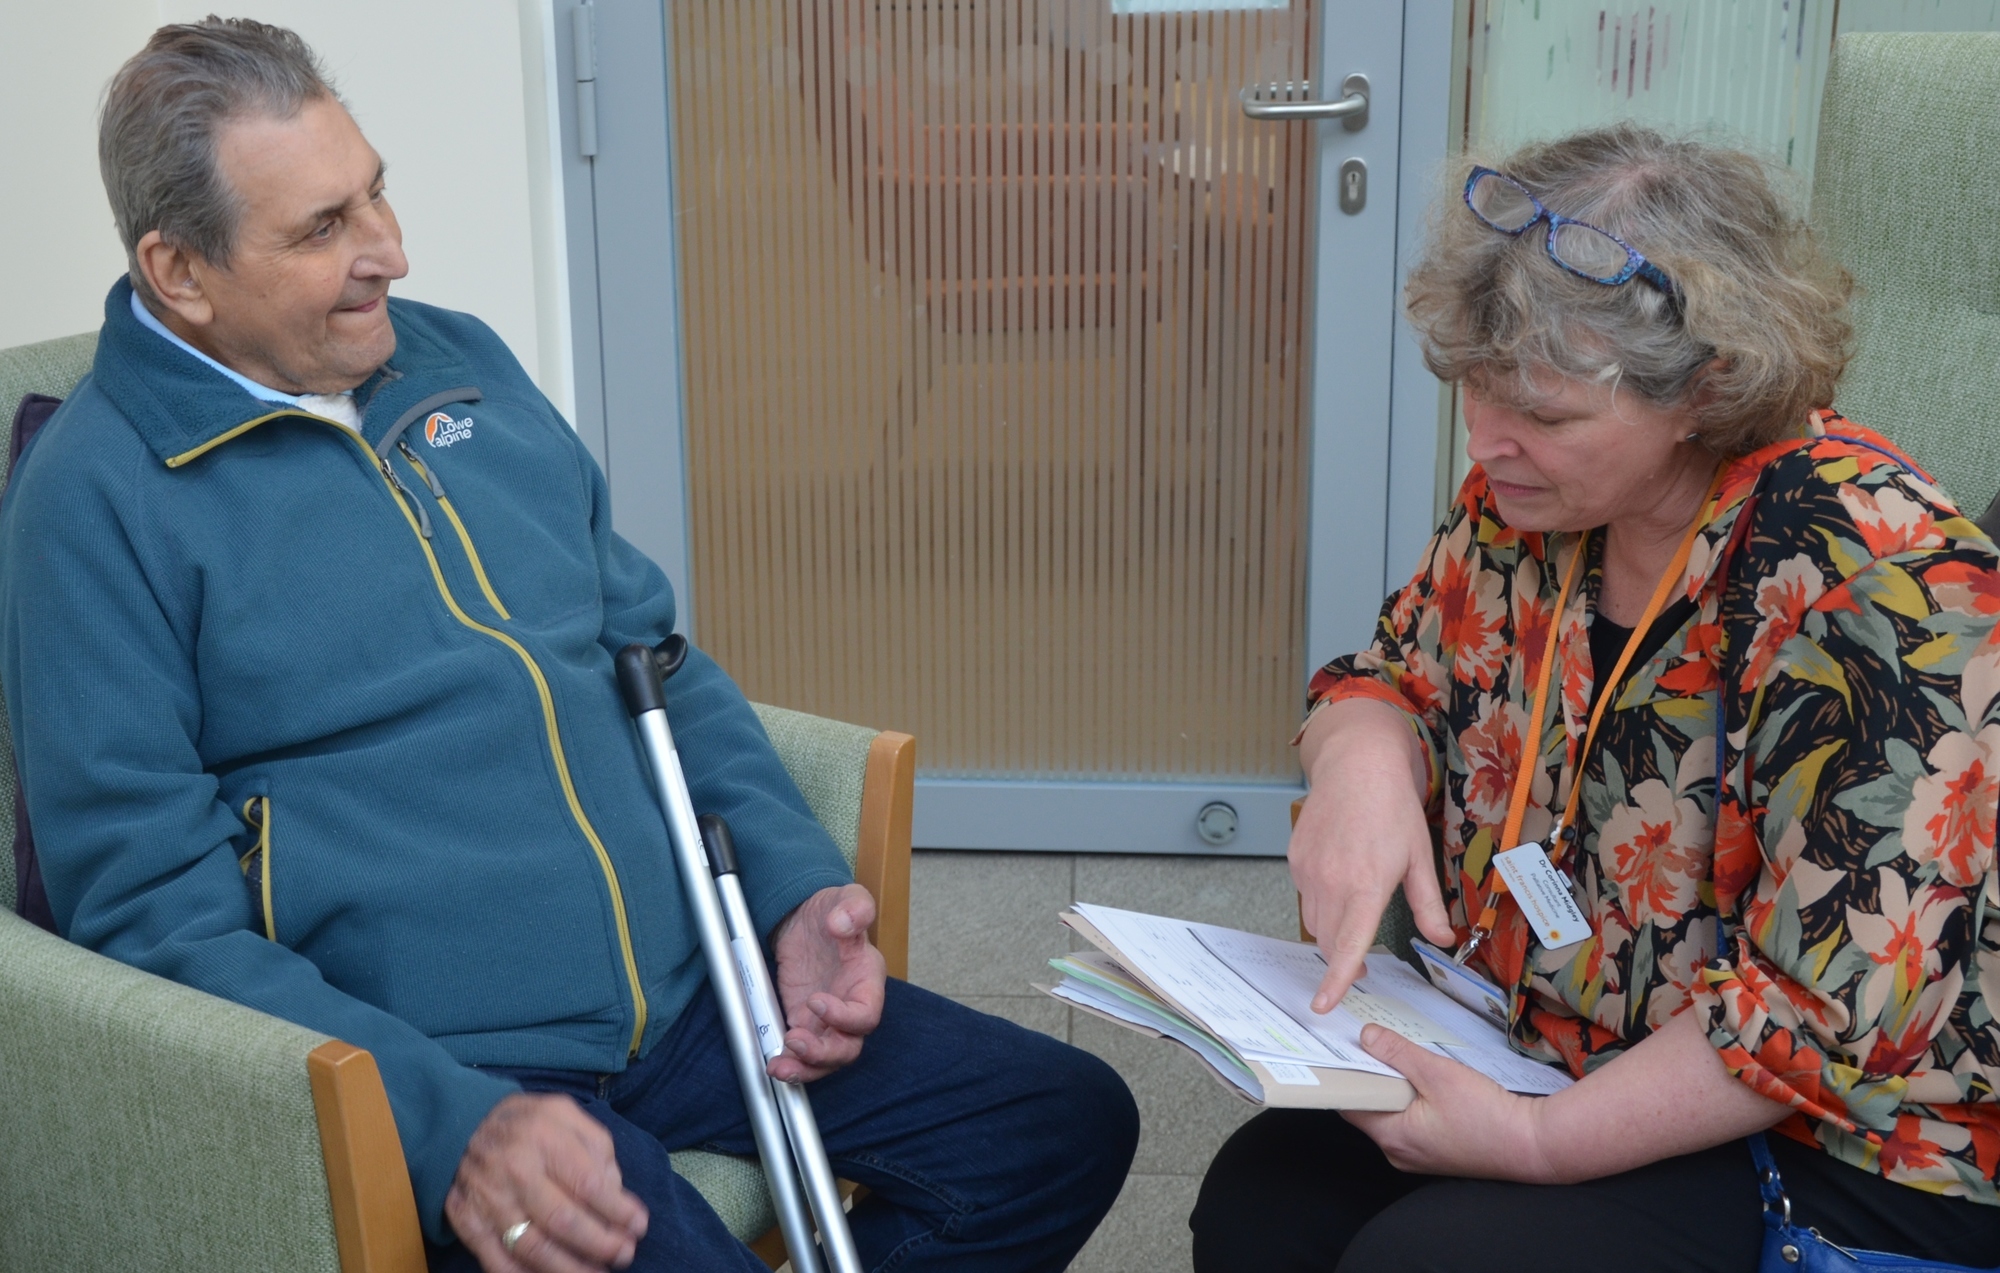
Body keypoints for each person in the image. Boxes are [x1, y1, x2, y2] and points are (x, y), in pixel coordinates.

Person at [0, 19, 1136, 1273]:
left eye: (372, 191)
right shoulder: (94, 499)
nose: (388, 252)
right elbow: (149, 914)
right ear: (181, 272)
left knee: (1061, 1123)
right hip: (463, 1058)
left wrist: (796, 891)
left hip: (691, 991)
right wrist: (449, 1124)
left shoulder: (459, 365)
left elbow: (654, 661)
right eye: (320, 229)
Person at [1190, 125, 2000, 1271]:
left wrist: (1529, 1140)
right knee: (1264, 1200)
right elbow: (1386, 678)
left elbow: (1819, 1019)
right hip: (1570, 1042)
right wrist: (1360, 758)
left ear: (1705, 387)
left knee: (1437, 1258)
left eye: (1546, 414)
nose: (1488, 443)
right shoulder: (1526, 509)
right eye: (1473, 395)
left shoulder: (1880, 584)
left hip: (1838, 1132)